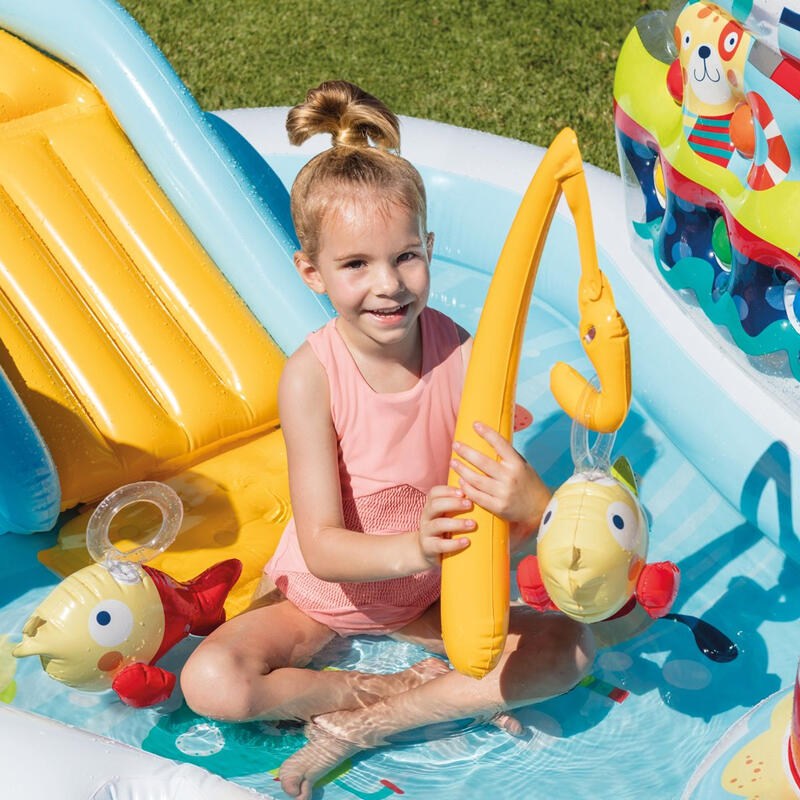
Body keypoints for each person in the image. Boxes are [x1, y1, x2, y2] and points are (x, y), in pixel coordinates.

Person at [180, 80, 595, 800]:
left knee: (570, 651)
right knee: (210, 681)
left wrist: (534, 500)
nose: (389, 286)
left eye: (406, 257)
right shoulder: (312, 377)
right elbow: (323, 549)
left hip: (434, 600)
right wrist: (416, 548)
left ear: (430, 248)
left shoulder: (462, 357)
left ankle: (369, 725)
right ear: (311, 273)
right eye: (355, 265)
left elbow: (523, 532)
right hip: (320, 602)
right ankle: (373, 690)